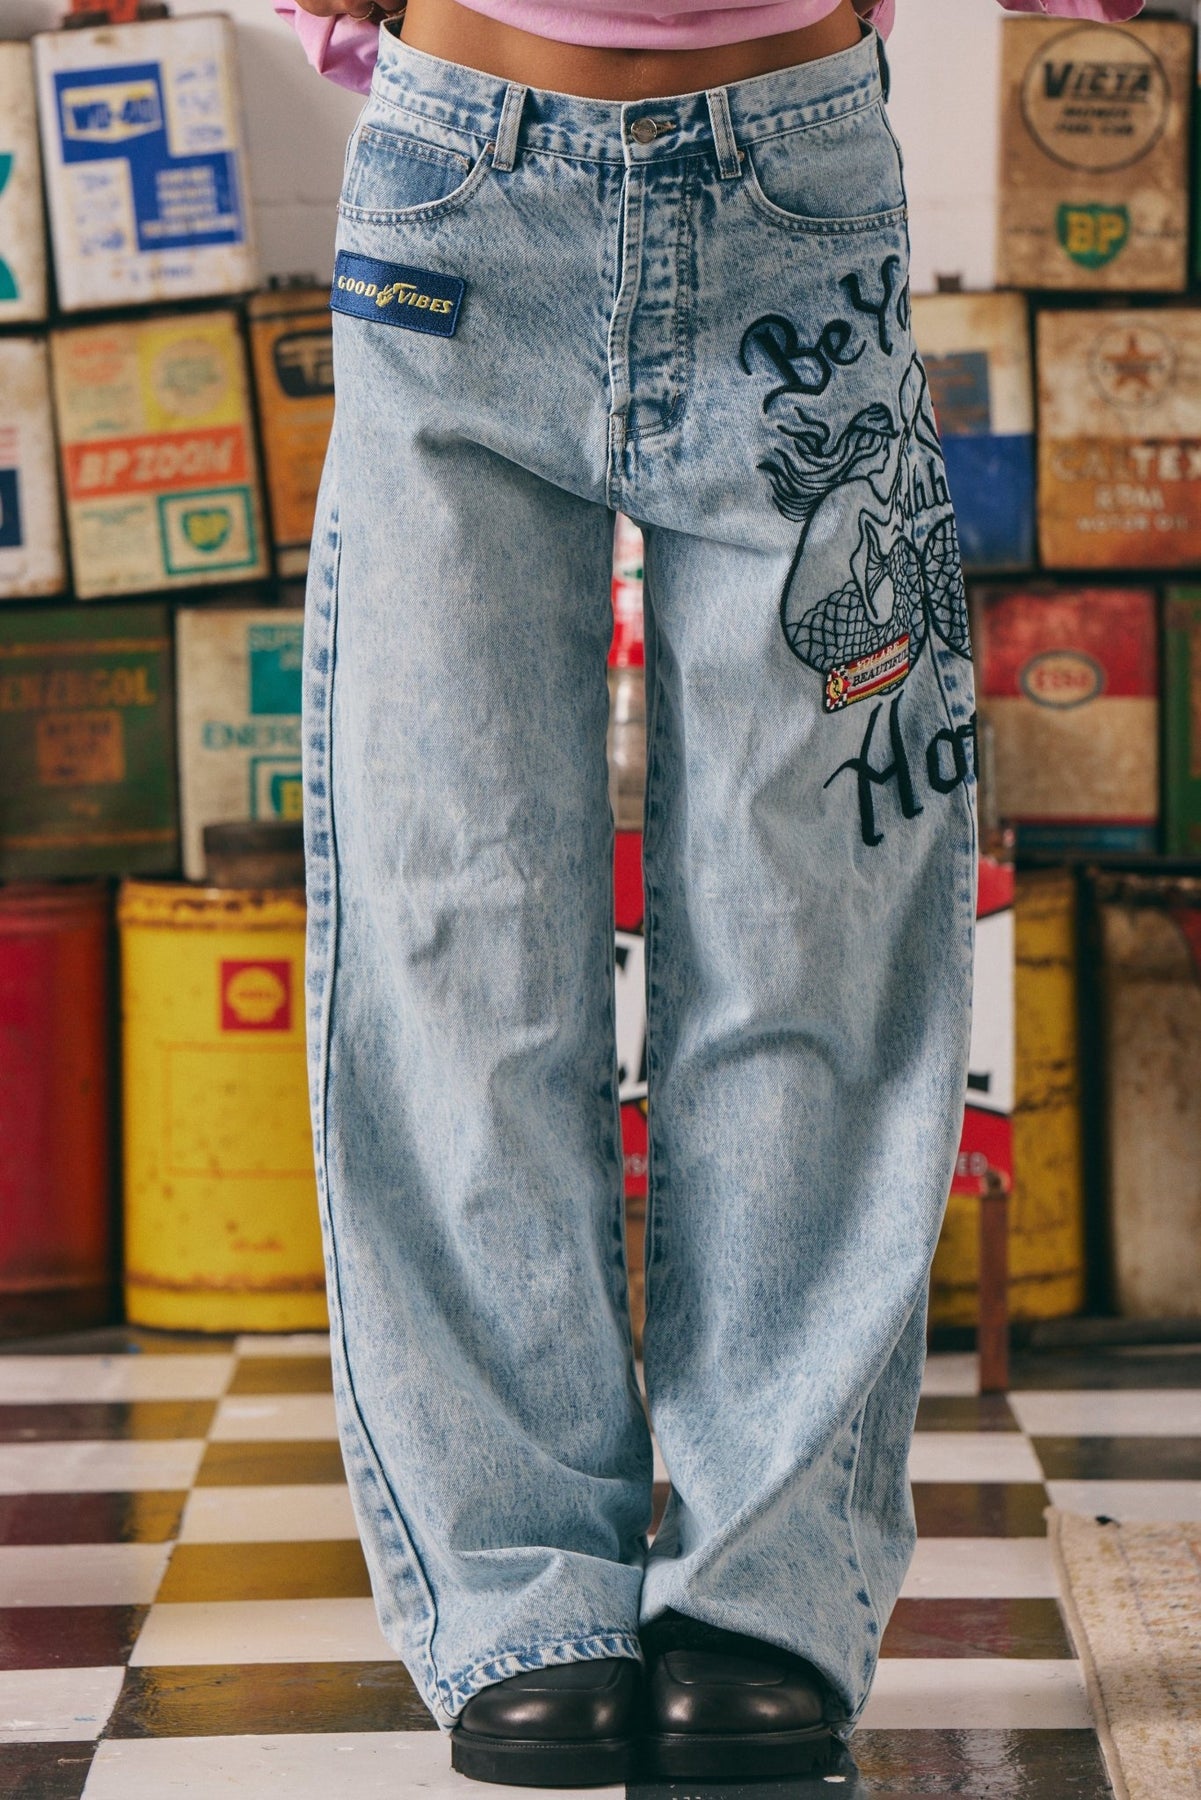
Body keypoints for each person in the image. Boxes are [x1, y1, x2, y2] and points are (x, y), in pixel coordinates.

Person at [276, 0, 1141, 1784]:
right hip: (458, 191)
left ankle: (766, 1580)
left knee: (808, 929)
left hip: (793, 192)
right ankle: (519, 1596)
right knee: (451, 935)